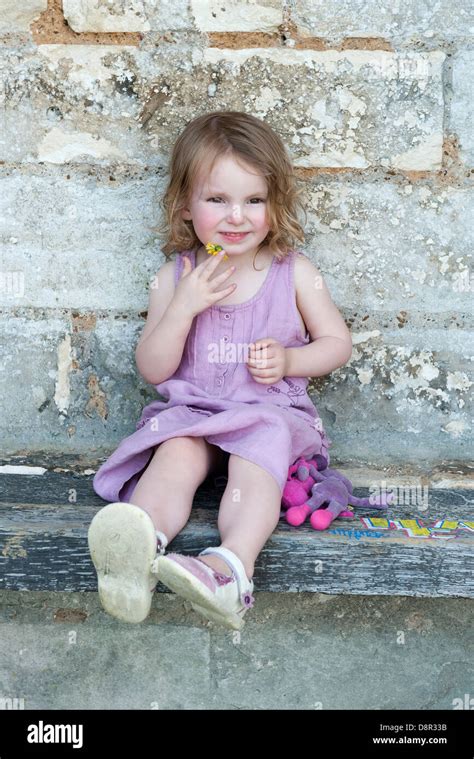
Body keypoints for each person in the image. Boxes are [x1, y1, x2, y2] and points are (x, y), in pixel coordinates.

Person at [88, 111, 352, 631]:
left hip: (270, 414)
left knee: (258, 457)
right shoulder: (177, 276)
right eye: (217, 200)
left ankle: (231, 568)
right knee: (175, 452)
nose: (237, 217)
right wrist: (183, 307)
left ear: (275, 207)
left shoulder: (293, 272)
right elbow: (154, 368)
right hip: (198, 413)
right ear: (186, 206)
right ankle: (136, 548)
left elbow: (337, 343)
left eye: (254, 200)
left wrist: (292, 360)